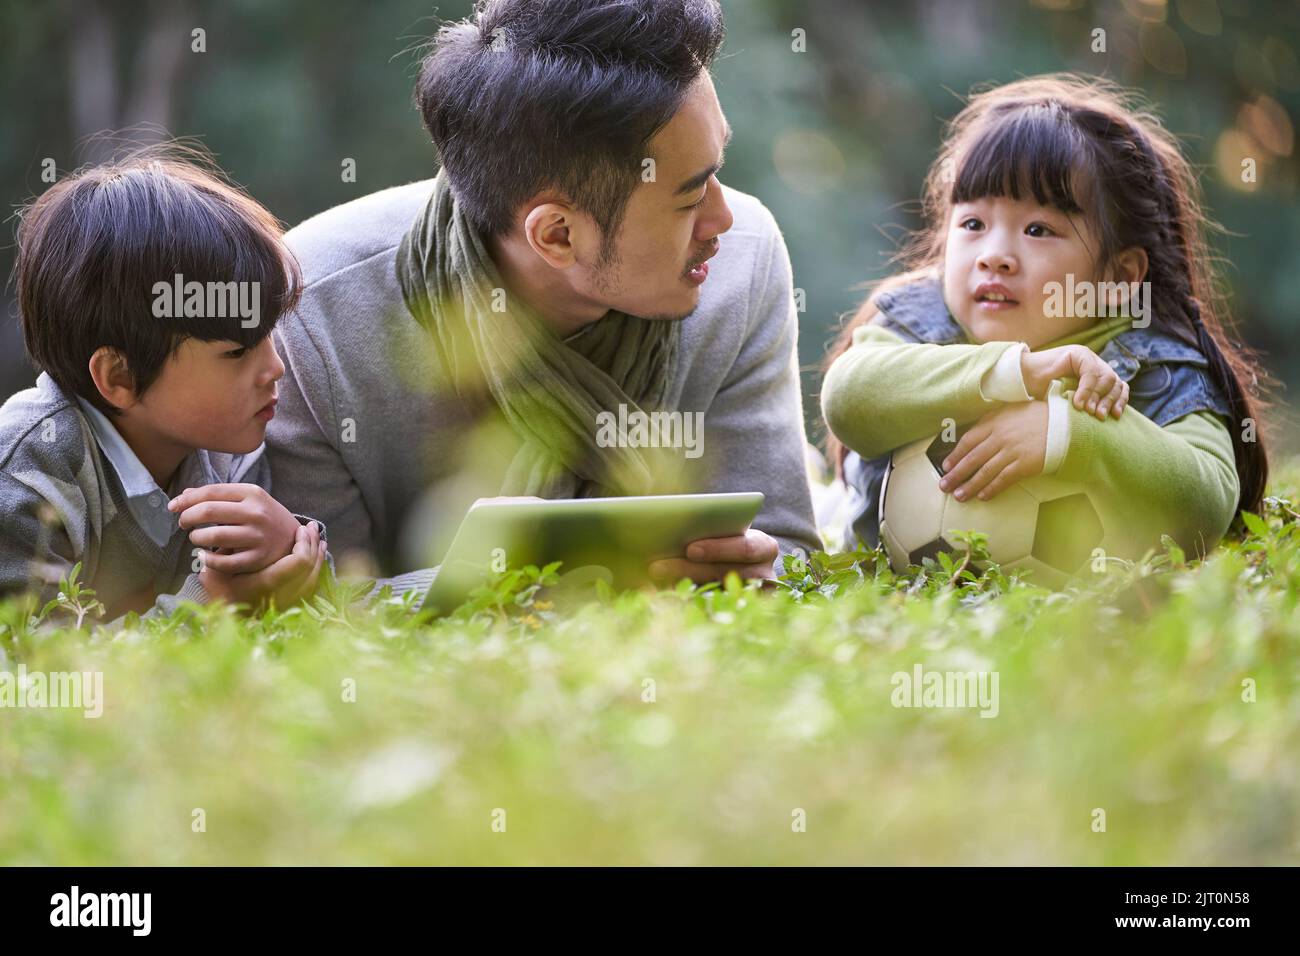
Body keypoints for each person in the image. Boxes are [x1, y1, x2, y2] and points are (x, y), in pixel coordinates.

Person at [266, 0, 820, 599]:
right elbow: (305, 602)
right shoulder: (317, 312)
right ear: (556, 235)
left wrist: (758, 570)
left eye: (717, 169)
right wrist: (537, 589)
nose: (723, 217)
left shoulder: (742, 260)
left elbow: (786, 550)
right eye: (689, 200)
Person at [821, 74, 1269, 563]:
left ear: (1119, 276)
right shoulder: (921, 322)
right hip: (892, 601)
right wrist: (1016, 372)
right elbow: (848, 398)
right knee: (819, 503)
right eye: (973, 224)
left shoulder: (1155, 364)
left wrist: (1071, 432)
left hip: (1084, 627)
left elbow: (1209, 502)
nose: (995, 256)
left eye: (1038, 229)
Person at [0, 149, 328, 624]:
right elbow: (41, 678)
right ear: (120, 377)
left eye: (268, 338)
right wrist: (213, 604)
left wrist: (289, 548)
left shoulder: (219, 448)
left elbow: (316, 626)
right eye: (236, 352)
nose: (275, 368)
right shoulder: (26, 475)